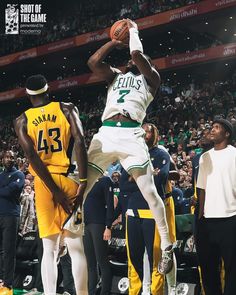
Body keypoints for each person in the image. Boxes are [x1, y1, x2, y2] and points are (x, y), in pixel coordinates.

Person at [84, 18, 173, 274]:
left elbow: (135, 52)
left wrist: (132, 31)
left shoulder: (151, 79)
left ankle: (167, 245)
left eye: (139, 60)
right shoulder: (115, 75)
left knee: (150, 192)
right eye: (131, 60)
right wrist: (113, 41)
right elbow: (92, 63)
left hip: (133, 134)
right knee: (83, 185)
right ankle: (70, 229)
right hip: (107, 133)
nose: (133, 60)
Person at [14, 74, 88, 295]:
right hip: (68, 178)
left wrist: (53, 191)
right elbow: (81, 141)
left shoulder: (21, 120)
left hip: (44, 185)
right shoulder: (66, 108)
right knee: (76, 248)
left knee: (49, 249)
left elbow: (32, 158)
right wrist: (83, 182)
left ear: (28, 96)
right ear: (48, 91)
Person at [196, 118, 236, 295]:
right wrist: (200, 217)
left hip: (231, 218)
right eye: (211, 127)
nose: (212, 130)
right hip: (207, 221)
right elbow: (201, 188)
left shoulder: (234, 154)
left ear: (226, 134)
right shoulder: (204, 157)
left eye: (217, 127)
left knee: (232, 269)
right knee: (208, 269)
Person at [83, 176, 114, 295]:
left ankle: (105, 292)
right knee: (90, 263)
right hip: (86, 224)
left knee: (102, 261)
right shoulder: (86, 180)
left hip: (99, 224)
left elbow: (110, 204)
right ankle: (91, 292)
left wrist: (108, 226)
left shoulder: (105, 180)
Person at [0, 150, 25, 295]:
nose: (9, 159)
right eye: (6, 157)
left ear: (15, 159)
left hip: (11, 216)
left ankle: (7, 283)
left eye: (11, 157)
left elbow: (12, 191)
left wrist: (4, 190)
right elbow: (7, 190)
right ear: (2, 159)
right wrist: (5, 189)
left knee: (9, 251)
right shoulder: (1, 175)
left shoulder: (19, 175)